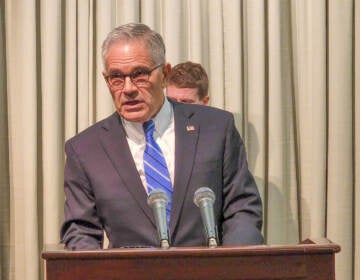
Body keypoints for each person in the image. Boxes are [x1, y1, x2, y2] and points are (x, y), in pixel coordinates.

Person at [60, 23, 263, 249]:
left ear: (165, 74)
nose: (128, 88)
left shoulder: (215, 128)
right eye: (116, 77)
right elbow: (80, 231)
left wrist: (233, 267)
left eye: (139, 75)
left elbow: (242, 209)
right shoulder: (85, 149)